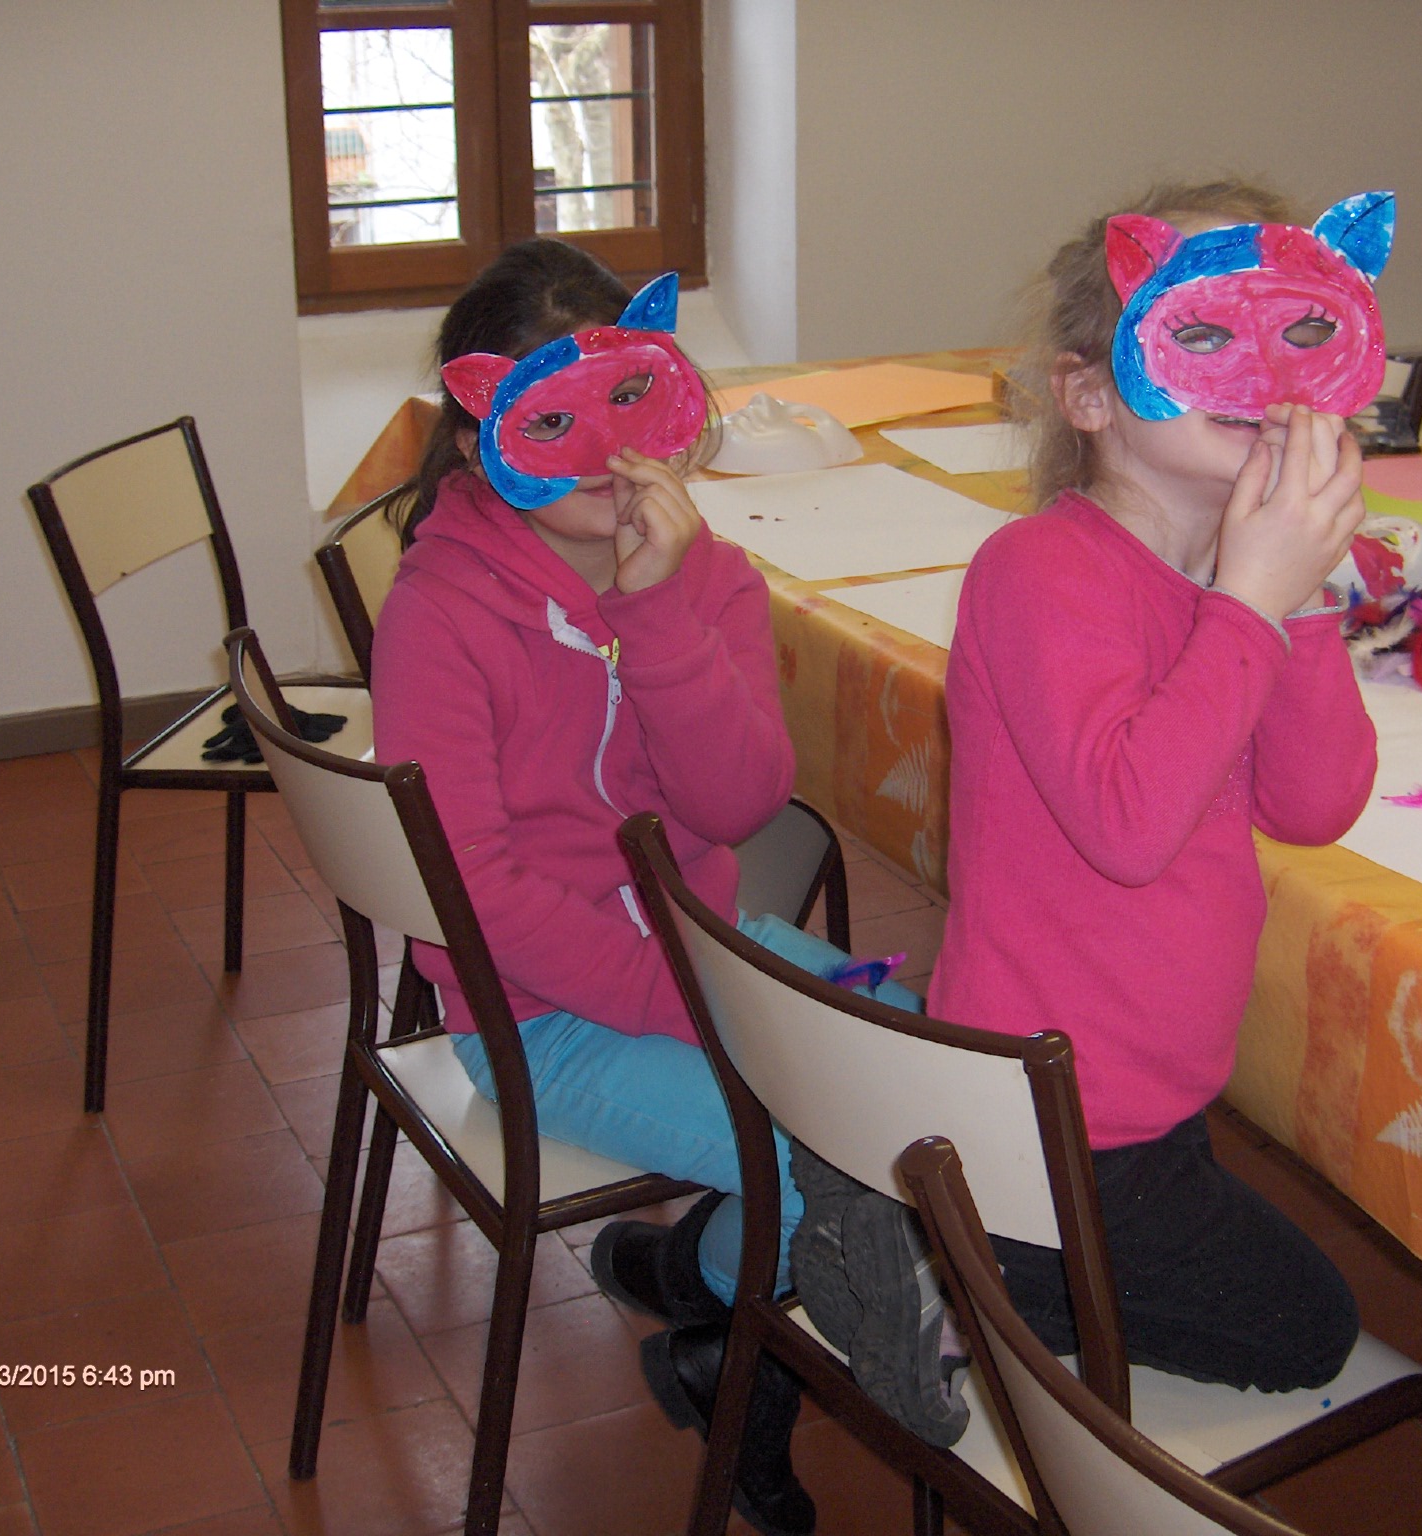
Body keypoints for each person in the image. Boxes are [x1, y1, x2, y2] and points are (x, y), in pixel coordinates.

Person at [369, 237, 913, 1536]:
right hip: (535, 1015)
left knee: (925, 1084)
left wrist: (662, 615)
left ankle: (700, 1280)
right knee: (826, 1160)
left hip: (704, 951)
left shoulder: (705, 572)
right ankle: (741, 1375)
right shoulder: (442, 614)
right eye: (561, 429)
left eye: (639, 411)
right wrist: (711, 1008)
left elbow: (735, 804)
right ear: (477, 435)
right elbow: (474, 895)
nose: (616, 468)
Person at [924, 181, 1376, 1392]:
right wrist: (1251, 603)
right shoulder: (1036, 570)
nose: (1264, 377)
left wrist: (1302, 596)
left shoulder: (1232, 587)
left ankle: (978, 1273)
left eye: (1300, 331)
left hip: (1143, 1096)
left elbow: (1313, 801)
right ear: (1087, 393)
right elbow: (1128, 826)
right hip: (1047, 1115)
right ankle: (956, 1276)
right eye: (1208, 330)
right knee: (1306, 1332)